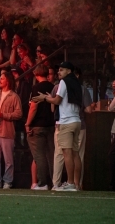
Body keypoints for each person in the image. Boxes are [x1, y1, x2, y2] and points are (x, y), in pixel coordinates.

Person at [32, 61, 82, 191]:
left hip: (66, 121)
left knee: (67, 153)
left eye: (61, 70)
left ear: (68, 71)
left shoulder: (64, 82)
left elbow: (57, 100)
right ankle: (76, 183)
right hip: (76, 120)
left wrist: (44, 98)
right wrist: (49, 98)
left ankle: (70, 183)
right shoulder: (77, 82)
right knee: (76, 153)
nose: (58, 72)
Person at [26, 65, 56, 190]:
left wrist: (27, 123)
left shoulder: (36, 88)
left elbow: (34, 107)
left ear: (36, 73)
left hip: (37, 125)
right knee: (51, 154)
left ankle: (42, 182)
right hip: (51, 124)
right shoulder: (53, 87)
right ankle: (55, 181)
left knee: (39, 156)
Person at [0, 71, 22, 189]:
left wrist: (4, 115)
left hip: (7, 130)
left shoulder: (14, 96)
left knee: (8, 159)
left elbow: (19, 113)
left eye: (2, 79)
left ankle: (8, 181)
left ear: (7, 81)